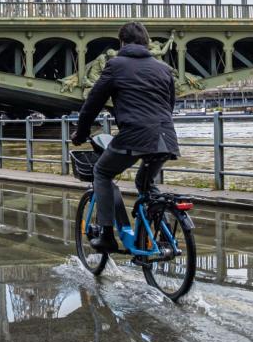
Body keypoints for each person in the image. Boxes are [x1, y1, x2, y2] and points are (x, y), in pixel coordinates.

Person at [70, 21, 179, 252]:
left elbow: (93, 103)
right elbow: (169, 105)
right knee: (145, 183)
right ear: (147, 43)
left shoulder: (116, 65)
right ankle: (163, 233)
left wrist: (81, 132)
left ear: (122, 42)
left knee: (102, 171)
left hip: (134, 136)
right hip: (166, 137)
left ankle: (107, 234)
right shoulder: (163, 69)